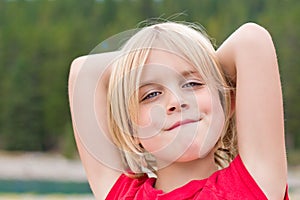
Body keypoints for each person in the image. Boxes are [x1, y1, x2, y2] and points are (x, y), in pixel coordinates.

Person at [68, 21, 289, 199]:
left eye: (193, 84)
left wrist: (203, 64)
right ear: (130, 129)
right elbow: (84, 71)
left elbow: (251, 40)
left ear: (228, 102)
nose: (176, 101)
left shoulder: (251, 186)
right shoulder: (125, 196)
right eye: (151, 94)